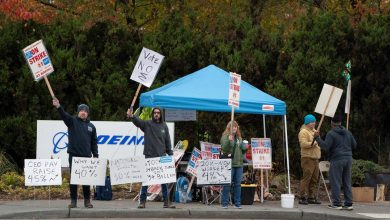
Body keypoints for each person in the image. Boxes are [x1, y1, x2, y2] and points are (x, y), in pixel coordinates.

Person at [52, 98, 98, 209]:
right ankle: (73, 201)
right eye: (81, 110)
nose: (83, 112)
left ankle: (87, 201)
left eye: (85, 111)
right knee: (74, 180)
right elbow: (63, 115)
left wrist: (96, 155)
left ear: (87, 113)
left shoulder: (92, 127)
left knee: (86, 180)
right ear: (78, 112)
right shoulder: (72, 121)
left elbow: (94, 142)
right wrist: (58, 106)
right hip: (74, 156)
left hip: (86, 157)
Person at [127, 107, 175, 209]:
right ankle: (142, 202)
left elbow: (167, 141)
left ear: (161, 114)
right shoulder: (147, 124)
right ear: (152, 114)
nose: (156, 114)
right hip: (149, 156)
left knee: (164, 181)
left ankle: (166, 202)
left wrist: (170, 154)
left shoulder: (164, 126)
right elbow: (138, 121)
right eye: (155, 113)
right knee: (145, 181)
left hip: (161, 157)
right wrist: (132, 116)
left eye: (158, 113)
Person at [314, 113, 357, 210]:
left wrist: (317, 138)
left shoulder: (331, 133)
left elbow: (325, 146)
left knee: (336, 181)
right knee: (347, 181)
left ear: (331, 123)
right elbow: (354, 145)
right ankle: (348, 203)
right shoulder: (347, 132)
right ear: (340, 122)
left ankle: (337, 203)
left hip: (337, 159)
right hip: (348, 158)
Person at [220, 120, 247, 209]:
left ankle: (237, 203)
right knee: (227, 184)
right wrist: (228, 140)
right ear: (229, 128)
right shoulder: (225, 137)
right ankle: (225, 203)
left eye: (236, 127)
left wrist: (245, 148)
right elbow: (224, 148)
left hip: (239, 164)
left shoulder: (239, 138)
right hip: (229, 164)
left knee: (238, 184)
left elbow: (242, 150)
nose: (235, 128)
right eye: (233, 127)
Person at [298, 114, 321, 205]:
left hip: (315, 158)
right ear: (307, 123)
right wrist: (313, 143)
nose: (314, 124)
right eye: (311, 122)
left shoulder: (314, 131)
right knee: (307, 178)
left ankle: (311, 197)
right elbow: (303, 144)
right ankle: (302, 196)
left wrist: (317, 137)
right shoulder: (303, 132)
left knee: (314, 179)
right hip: (307, 158)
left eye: (314, 122)